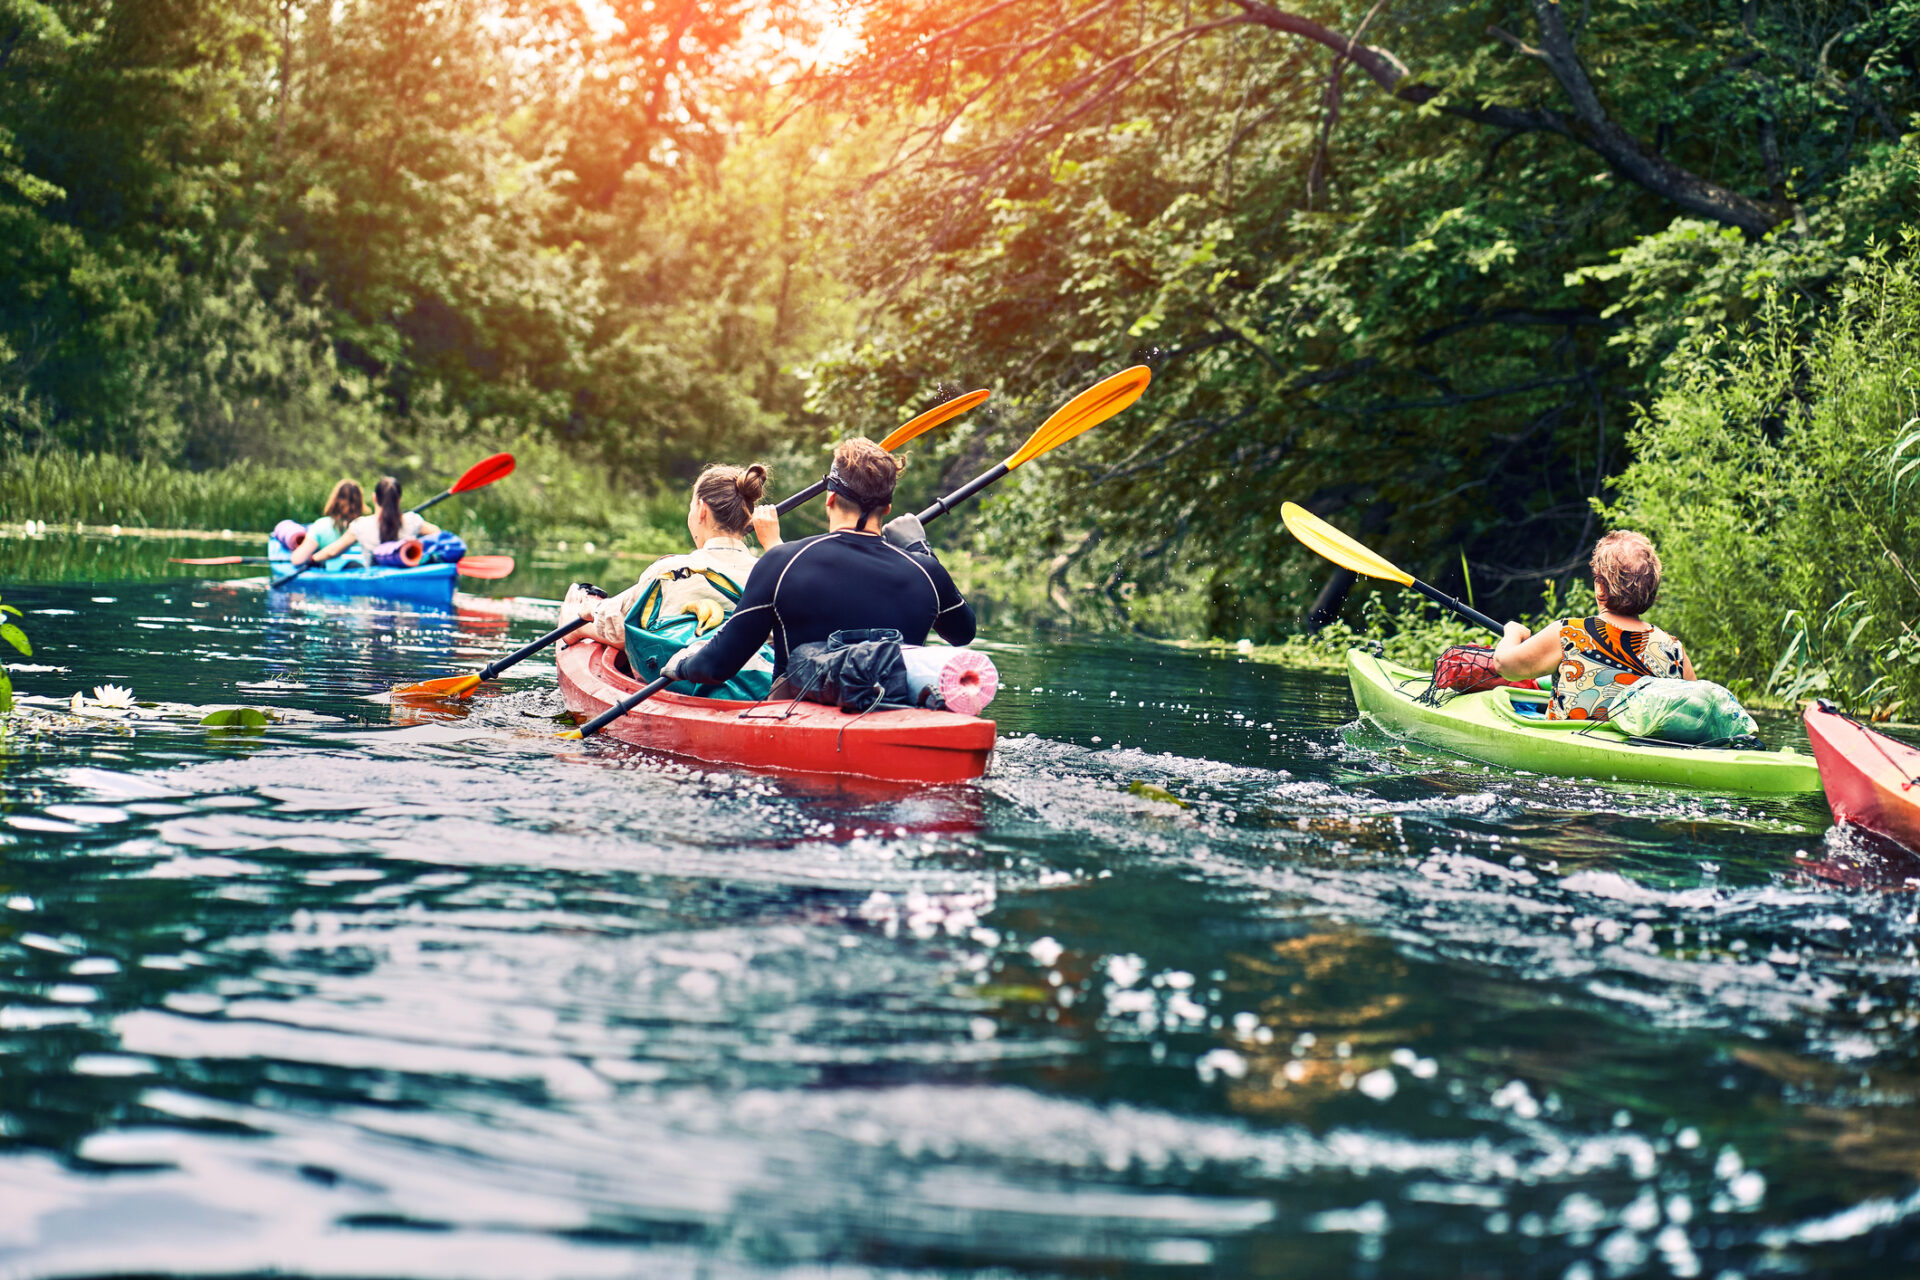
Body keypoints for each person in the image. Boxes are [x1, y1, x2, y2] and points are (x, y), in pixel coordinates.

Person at [662, 437, 975, 689]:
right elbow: (963, 633)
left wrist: (679, 665)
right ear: (888, 507)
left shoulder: (783, 562)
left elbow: (716, 667)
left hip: (795, 721)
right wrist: (920, 548)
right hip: (892, 713)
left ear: (829, 499)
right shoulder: (926, 571)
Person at [558, 463, 781, 650]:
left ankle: (577, 628)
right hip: (754, 684)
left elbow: (622, 623)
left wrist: (590, 610)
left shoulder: (671, 570)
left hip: (682, 676)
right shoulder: (773, 575)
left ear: (701, 510)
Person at [1493, 530, 1697, 722]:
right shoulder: (1673, 649)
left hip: (1568, 750)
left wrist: (1513, 631)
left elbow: (1504, 665)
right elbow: (1696, 711)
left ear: (1600, 586)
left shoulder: (1570, 633)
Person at [293, 476, 440, 566]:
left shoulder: (361, 525)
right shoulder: (413, 520)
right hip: (407, 571)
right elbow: (438, 534)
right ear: (399, 500)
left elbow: (332, 552)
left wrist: (313, 559)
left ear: (375, 498)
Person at [288, 479, 369, 566]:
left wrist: (312, 559)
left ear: (335, 500)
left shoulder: (320, 525)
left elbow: (297, 559)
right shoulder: (366, 525)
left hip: (332, 574)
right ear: (360, 503)